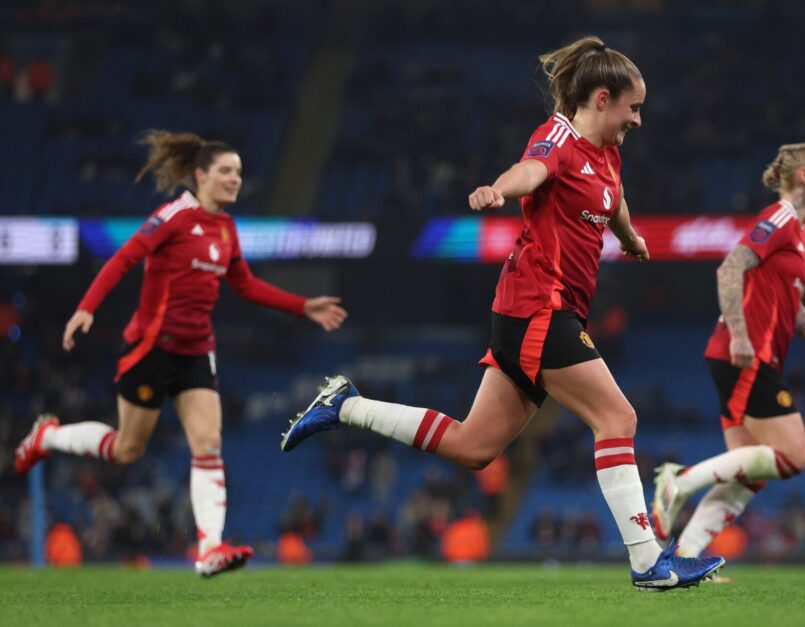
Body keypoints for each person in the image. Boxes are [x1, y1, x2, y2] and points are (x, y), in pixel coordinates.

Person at [281, 36, 724, 590]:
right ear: (603, 98)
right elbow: (530, 172)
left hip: (540, 312)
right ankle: (647, 561)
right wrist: (497, 189)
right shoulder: (558, 135)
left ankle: (346, 406)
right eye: (633, 108)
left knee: (474, 448)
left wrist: (629, 236)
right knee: (619, 419)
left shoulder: (608, 150)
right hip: (540, 305)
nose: (638, 119)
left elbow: (613, 196)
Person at [14, 130, 347, 577]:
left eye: (239, 173)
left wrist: (302, 305)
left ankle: (209, 549)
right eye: (226, 171)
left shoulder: (226, 228)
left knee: (208, 442)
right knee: (127, 448)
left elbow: (245, 284)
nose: (235, 179)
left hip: (196, 351)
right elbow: (124, 258)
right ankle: (48, 436)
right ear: (200, 175)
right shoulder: (175, 215)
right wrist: (86, 309)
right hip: (151, 347)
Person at [651, 143, 805, 563]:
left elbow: (792, 305)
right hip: (746, 353)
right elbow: (731, 267)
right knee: (794, 456)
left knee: (749, 473)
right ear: (804, 175)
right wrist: (740, 335)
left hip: (748, 354)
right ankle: (680, 480)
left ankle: (687, 557)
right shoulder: (780, 218)